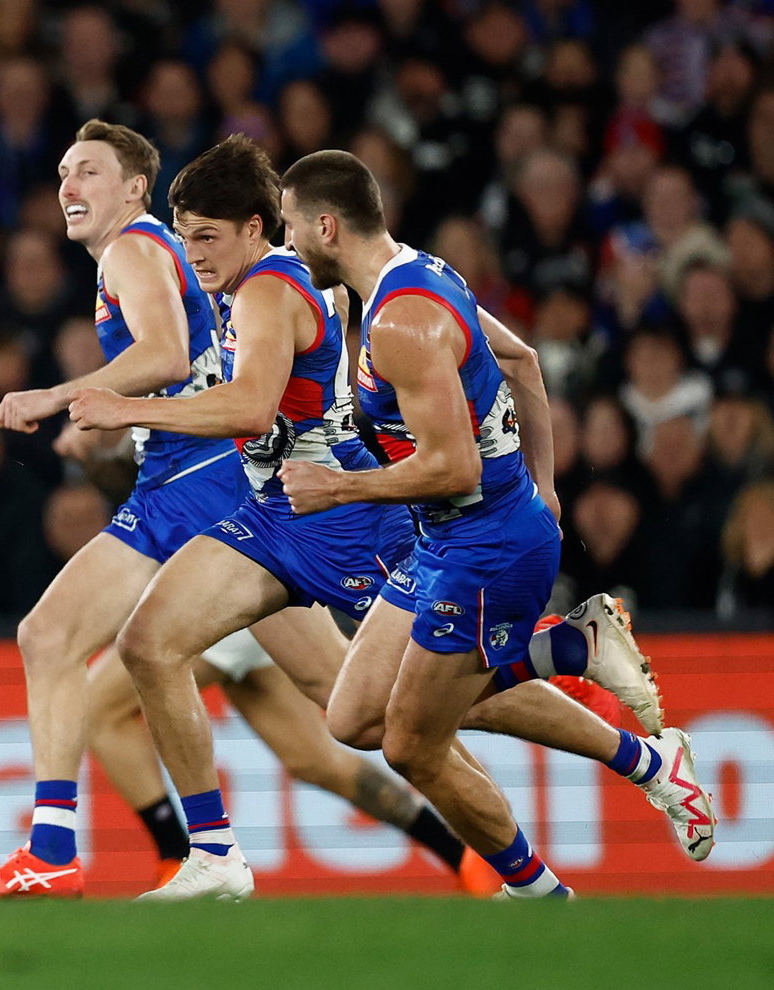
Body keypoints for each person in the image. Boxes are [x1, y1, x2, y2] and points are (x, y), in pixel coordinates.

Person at [65, 137, 711, 899]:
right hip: (287, 512)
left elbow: (250, 405)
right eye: (186, 237)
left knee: (408, 720)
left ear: (263, 227)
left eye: (208, 236)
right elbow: (522, 361)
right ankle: (215, 857)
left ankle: (579, 701)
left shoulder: (300, 294)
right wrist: (547, 486)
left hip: (351, 517)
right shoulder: (352, 283)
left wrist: (120, 407)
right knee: (178, 653)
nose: (193, 254)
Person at [273, 150, 714, 893]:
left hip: (483, 548)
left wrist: (337, 487)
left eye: (289, 229)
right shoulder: (425, 273)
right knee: (353, 719)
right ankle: (637, 747)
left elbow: (455, 468)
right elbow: (525, 362)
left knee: (413, 742)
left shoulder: (401, 324)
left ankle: (542, 894)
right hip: (452, 537)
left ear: (326, 225)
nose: (287, 248)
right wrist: (545, 489)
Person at [0, 120, 241, 900]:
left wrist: (60, 394)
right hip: (192, 479)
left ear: (136, 188)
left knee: (51, 636)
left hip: (200, 484)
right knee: (355, 705)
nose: (69, 186)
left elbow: (166, 356)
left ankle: (63, 853)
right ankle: (85, 854)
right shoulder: (137, 252)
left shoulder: (132, 248)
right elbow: (180, 371)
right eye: (64, 173)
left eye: (90, 173)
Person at [86, 619, 500, 894]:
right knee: (316, 759)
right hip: (261, 602)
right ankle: (462, 854)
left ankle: (175, 856)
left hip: (223, 594)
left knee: (98, 708)